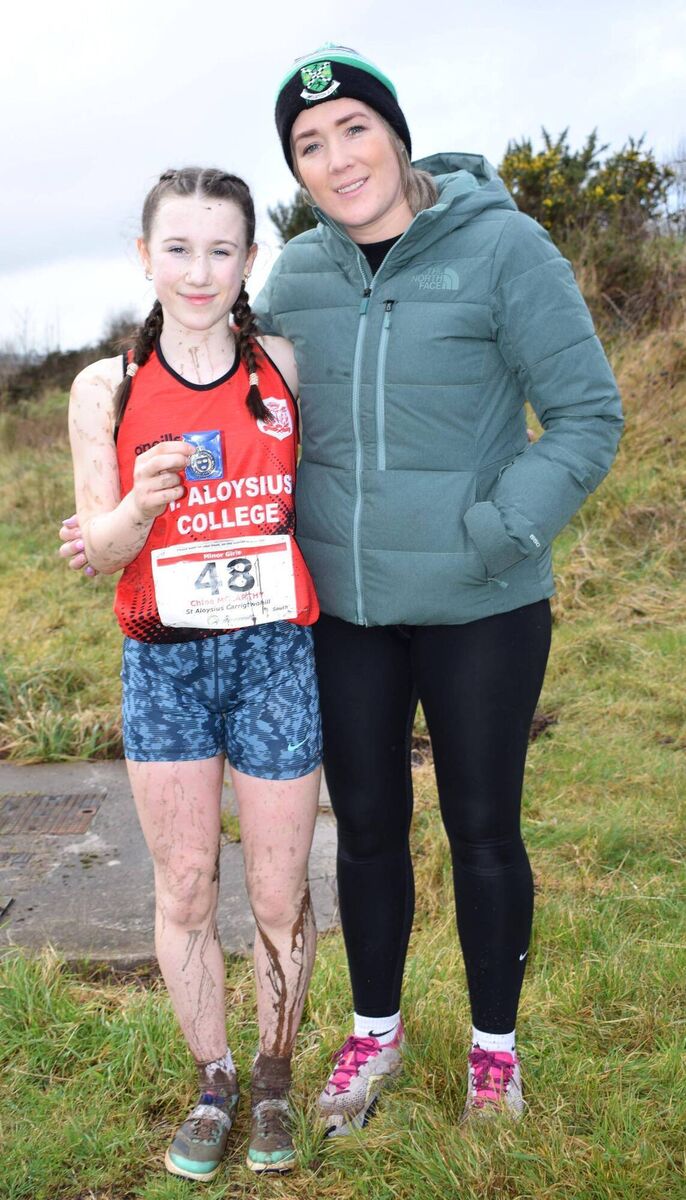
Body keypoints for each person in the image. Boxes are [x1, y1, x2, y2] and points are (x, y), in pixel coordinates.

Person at [62, 44, 624, 1137]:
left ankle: (493, 1054)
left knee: (481, 828)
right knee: (363, 829)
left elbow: (588, 416)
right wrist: (121, 477)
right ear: (297, 172)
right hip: (344, 613)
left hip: (481, 603)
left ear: (396, 134)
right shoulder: (302, 277)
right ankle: (371, 1031)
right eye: (308, 146)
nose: (335, 157)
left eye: (352, 129)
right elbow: (226, 382)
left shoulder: (504, 246)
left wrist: (493, 528)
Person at [67, 166, 322, 1179]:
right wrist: (138, 500)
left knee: (276, 891)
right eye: (178, 248)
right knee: (182, 888)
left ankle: (272, 1081)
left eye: (222, 248)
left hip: (272, 657)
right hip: (164, 666)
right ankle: (212, 1080)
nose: (200, 269)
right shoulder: (107, 385)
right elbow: (103, 543)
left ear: (249, 259)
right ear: (145, 257)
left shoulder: (282, 367)